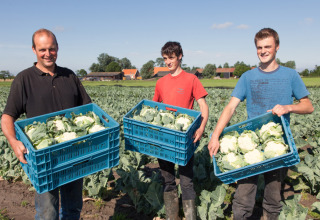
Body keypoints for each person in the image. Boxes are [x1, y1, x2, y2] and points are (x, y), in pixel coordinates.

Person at [208, 28, 314, 220]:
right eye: (259, 47)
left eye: (268, 46)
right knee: (243, 197)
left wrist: (288, 107)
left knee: (273, 198)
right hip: (251, 144)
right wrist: (215, 136)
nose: (263, 51)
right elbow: (230, 107)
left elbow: (308, 106)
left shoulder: (291, 76)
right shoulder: (247, 77)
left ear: (277, 47)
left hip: (279, 144)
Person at [1, 28, 91, 220]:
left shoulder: (70, 76)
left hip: (72, 152)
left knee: (73, 209)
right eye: (42, 49)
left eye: (51, 49)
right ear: (34, 50)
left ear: (57, 48)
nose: (48, 54)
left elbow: (88, 109)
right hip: (44, 158)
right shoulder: (24, 79)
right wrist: (13, 142)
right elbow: (8, 116)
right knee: (47, 212)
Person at [153, 41, 209, 220]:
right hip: (165, 138)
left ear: (179, 56)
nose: (168, 62)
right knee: (168, 181)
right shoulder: (161, 82)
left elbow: (203, 106)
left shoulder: (191, 79)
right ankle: (172, 217)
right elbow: (154, 109)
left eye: (171, 58)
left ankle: (190, 217)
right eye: (165, 59)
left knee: (186, 182)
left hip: (185, 138)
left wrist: (201, 127)